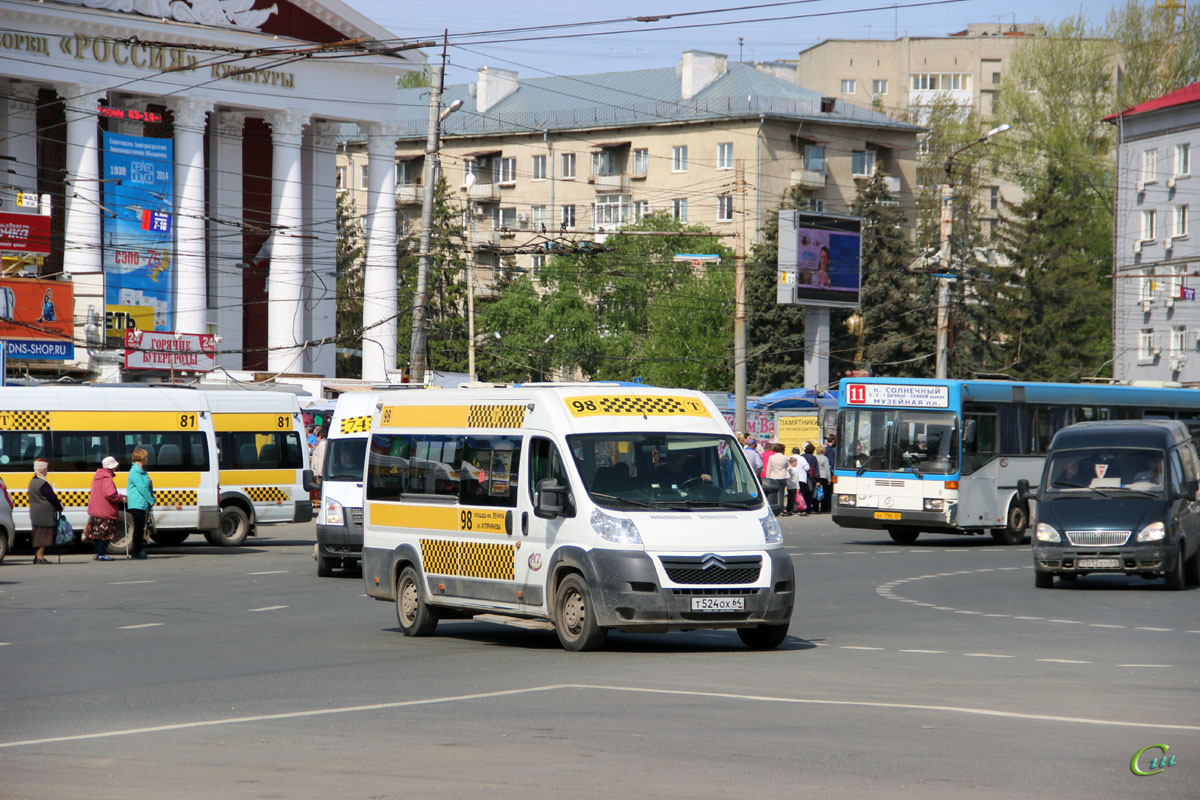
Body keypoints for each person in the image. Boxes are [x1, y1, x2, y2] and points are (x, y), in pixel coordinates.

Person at [87, 456, 124, 561]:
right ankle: (102, 553)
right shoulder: (107, 478)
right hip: (105, 510)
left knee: (98, 534)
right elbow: (110, 494)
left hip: (96, 510)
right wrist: (120, 498)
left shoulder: (98, 476)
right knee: (106, 534)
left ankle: (97, 553)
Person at [28, 458, 63, 564]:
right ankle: (40, 557)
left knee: (38, 534)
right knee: (44, 536)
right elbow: (52, 497)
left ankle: (37, 556)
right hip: (44, 514)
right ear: (43, 469)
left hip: (35, 513)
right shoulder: (43, 483)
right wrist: (59, 506)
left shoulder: (32, 481)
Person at [125, 447, 155, 560]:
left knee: (140, 528)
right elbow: (142, 488)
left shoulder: (141, 471)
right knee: (138, 528)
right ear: (142, 457)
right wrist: (151, 500)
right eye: (146, 457)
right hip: (137, 503)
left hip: (141, 503)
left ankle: (138, 550)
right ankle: (136, 551)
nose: (147, 459)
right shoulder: (135, 472)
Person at [801, 443, 820, 511]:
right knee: (809, 493)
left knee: (802, 492)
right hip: (810, 477)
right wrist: (817, 479)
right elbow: (815, 469)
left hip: (801, 477)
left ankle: (802, 506)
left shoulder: (801, 456)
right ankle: (808, 507)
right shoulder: (813, 458)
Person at [815, 444, 833, 513]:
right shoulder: (825, 458)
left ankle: (816, 507)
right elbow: (827, 470)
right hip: (824, 477)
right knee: (824, 493)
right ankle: (824, 508)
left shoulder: (815, 457)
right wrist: (829, 479)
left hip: (817, 477)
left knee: (817, 492)